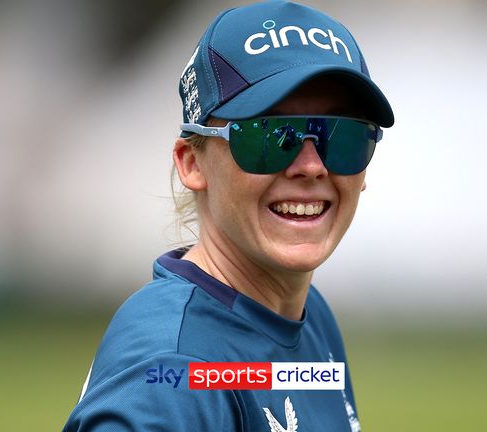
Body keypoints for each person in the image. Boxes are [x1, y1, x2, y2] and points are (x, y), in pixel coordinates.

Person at [62, 1, 393, 431]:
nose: (312, 166)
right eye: (271, 137)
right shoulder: (172, 372)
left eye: (343, 137)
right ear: (192, 164)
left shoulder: (309, 319)